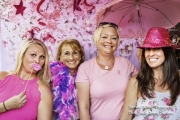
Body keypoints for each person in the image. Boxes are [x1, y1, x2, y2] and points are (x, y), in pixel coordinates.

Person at [75, 22, 138, 120]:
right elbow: (84, 107)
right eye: (104, 37)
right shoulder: (85, 68)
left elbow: (144, 84)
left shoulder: (126, 64)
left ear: (117, 42)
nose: (109, 41)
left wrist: (142, 58)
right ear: (97, 39)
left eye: (113, 38)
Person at [120, 27, 180, 120]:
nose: (151, 54)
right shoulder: (136, 82)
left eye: (157, 48)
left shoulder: (178, 79)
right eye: (147, 49)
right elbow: (126, 117)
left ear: (167, 52)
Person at [0, 39, 53, 120]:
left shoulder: (44, 90)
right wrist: (6, 106)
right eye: (33, 55)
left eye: (42, 57)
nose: (37, 60)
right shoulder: (2, 77)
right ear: (22, 55)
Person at [50, 39, 85, 120]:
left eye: (75, 53)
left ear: (80, 56)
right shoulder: (51, 76)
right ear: (60, 57)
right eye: (66, 53)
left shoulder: (86, 75)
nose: (71, 57)